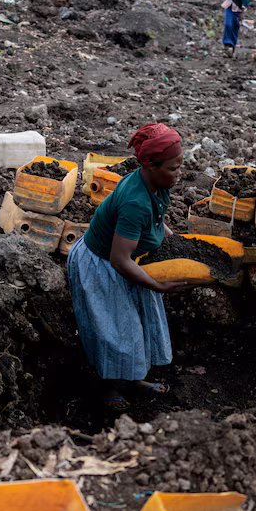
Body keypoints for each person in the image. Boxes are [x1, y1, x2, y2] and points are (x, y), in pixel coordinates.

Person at [68, 123, 186, 410]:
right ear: (151, 166)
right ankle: (107, 387)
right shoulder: (135, 202)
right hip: (102, 266)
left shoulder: (156, 184)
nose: (179, 173)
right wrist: (158, 286)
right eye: (174, 168)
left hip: (127, 262)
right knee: (116, 332)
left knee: (139, 324)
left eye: (180, 166)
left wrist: (179, 245)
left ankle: (133, 380)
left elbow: (157, 220)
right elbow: (119, 260)